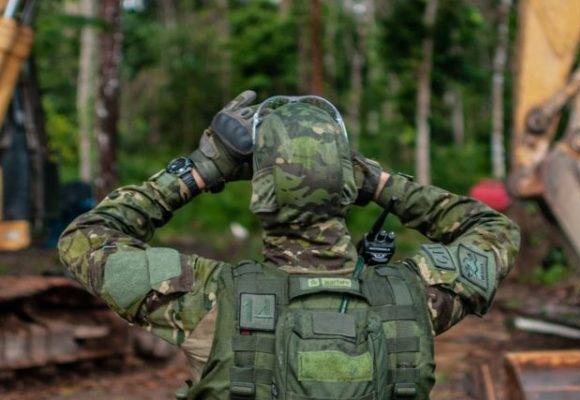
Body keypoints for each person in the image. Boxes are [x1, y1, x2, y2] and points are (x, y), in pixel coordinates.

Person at [58, 91, 520, 400]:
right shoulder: (415, 299)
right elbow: (495, 229)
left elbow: (85, 240)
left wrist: (202, 168)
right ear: (347, 188)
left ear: (258, 194)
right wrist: (380, 183)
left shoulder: (208, 301)